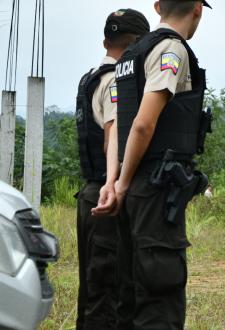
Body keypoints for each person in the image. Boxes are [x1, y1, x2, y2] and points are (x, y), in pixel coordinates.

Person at [94, 1, 212, 328]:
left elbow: (117, 125)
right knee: (159, 298)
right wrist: (124, 181)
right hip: (154, 190)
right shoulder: (170, 49)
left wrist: (113, 181)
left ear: (158, 6)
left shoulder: (131, 55)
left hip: (131, 188)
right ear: (198, 11)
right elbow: (143, 124)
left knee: (129, 296)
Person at [75, 9, 149, 330]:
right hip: (107, 195)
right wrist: (118, 182)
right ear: (137, 44)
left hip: (88, 196)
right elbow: (113, 141)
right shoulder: (117, 83)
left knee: (90, 288)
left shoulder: (89, 79)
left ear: (106, 40)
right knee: (109, 290)